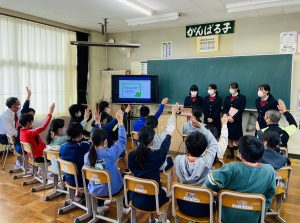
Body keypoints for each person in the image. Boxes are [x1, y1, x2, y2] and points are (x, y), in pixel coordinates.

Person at [205, 135, 276, 223]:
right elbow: (270, 193)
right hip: (253, 217)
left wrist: (220, 190)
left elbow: (209, 181)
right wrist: (263, 207)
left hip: (227, 216)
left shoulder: (231, 167)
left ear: (239, 154)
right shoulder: (269, 170)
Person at [128, 125, 174, 222]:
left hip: (136, 197)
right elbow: (164, 148)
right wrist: (169, 134)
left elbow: (132, 169)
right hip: (153, 202)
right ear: (152, 141)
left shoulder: (131, 155)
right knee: (164, 191)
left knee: (151, 189)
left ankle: (152, 218)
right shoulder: (155, 157)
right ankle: (161, 219)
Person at [84, 110, 126, 213]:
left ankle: (99, 205)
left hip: (94, 189)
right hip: (111, 190)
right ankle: (124, 207)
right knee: (124, 176)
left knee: (99, 175)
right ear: (106, 142)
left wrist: (98, 124)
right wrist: (120, 122)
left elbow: (96, 138)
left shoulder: (87, 156)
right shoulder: (110, 154)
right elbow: (122, 142)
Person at [174, 119, 218, 218]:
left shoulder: (178, 159)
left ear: (187, 146)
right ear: (204, 149)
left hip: (183, 204)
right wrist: (201, 127)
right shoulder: (206, 162)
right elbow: (214, 143)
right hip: (203, 208)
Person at [144, 103, 178, 170]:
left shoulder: (141, 136)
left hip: (145, 164)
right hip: (157, 166)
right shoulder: (160, 137)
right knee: (170, 159)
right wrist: (173, 113)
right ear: (156, 126)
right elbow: (169, 127)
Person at [59, 122, 90, 188]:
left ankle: (78, 193)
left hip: (68, 178)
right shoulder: (83, 146)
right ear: (81, 134)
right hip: (82, 181)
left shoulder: (62, 146)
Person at [223, 82, 246, 158]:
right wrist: (228, 116)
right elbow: (225, 108)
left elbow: (241, 109)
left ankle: (241, 154)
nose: (231, 89)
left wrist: (233, 118)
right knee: (229, 138)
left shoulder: (242, 97)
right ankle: (231, 153)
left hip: (236, 121)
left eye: (233, 88)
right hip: (228, 120)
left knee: (237, 139)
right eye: (230, 88)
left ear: (237, 88)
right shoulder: (227, 97)